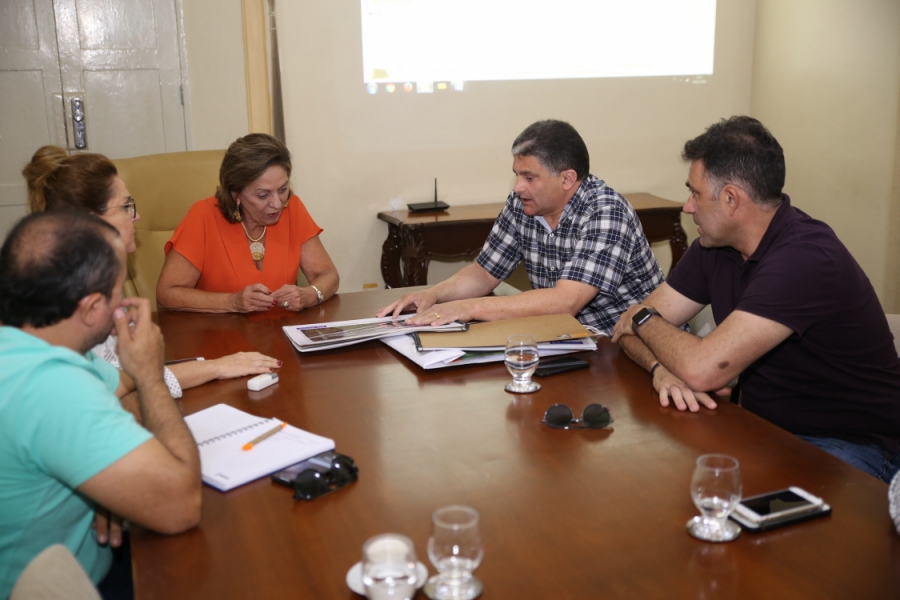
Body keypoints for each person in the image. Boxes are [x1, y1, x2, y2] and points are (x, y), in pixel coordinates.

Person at [611, 116, 900, 482]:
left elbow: (696, 365)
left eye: (695, 193)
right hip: (766, 431)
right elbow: (627, 332)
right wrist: (661, 367)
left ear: (731, 199)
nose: (687, 207)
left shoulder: (804, 258)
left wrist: (641, 315)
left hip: (856, 446)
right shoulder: (714, 246)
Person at [0, 211, 201, 597]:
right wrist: (149, 375)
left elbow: (122, 403)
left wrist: (103, 473)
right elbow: (182, 505)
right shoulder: (51, 386)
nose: (126, 300)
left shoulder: (39, 346)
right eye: (119, 288)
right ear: (93, 308)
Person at [22, 146, 279, 401]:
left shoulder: (89, 274)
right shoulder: (65, 298)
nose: (137, 216)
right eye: (126, 207)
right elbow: (120, 385)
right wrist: (218, 367)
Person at [378, 120, 664, 334]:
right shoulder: (523, 205)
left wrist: (467, 308)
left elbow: (566, 302)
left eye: (529, 177)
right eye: (517, 175)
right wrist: (434, 294)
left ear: (567, 179)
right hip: (568, 338)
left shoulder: (606, 211)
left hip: (631, 342)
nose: (518, 187)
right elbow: (483, 273)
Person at [156, 133, 339, 313]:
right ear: (236, 194)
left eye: (282, 189)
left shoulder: (292, 208)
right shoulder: (203, 216)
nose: (277, 203)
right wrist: (231, 302)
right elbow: (167, 294)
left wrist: (310, 294)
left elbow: (327, 275)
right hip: (218, 336)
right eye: (263, 195)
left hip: (281, 334)